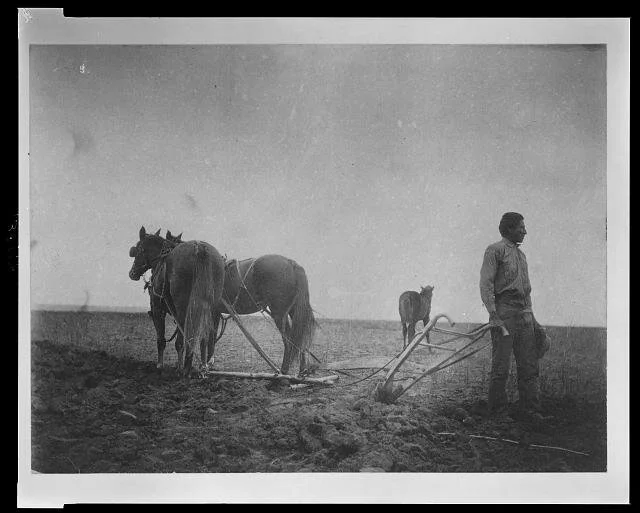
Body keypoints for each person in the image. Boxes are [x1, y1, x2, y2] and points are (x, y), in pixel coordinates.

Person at [479, 212, 546, 417]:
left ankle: (531, 410)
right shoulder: (495, 250)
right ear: (509, 229)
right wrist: (494, 314)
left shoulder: (521, 256)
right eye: (521, 227)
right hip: (504, 314)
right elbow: (486, 284)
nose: (525, 231)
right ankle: (497, 413)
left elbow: (526, 292)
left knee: (529, 366)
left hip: (525, 315)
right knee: (501, 367)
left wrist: (533, 320)